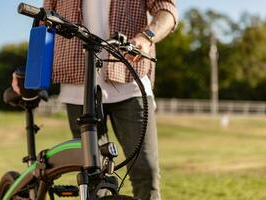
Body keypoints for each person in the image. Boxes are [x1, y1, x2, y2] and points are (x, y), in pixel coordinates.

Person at [13, 0, 178, 199]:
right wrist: (30, 71)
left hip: (130, 82)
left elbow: (166, 9)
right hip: (78, 87)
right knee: (93, 177)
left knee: (146, 172)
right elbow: (44, 20)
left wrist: (147, 36)